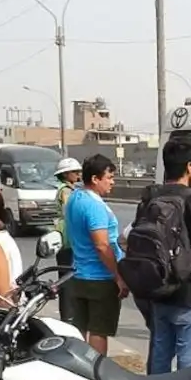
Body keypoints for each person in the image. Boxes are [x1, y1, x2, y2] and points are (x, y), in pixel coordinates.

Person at [136, 135, 191, 372]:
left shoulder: (151, 197)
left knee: (160, 356)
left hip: (158, 290)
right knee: (188, 360)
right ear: (190, 166)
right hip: (190, 293)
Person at [64, 153, 127, 357]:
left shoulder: (75, 198)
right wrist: (118, 277)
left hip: (79, 273)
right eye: (109, 177)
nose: (112, 182)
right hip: (100, 277)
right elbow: (102, 245)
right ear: (95, 179)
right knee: (99, 331)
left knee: (80, 328)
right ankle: (97, 370)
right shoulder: (94, 206)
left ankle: (80, 368)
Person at [51, 158, 81, 318]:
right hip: (67, 239)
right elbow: (71, 211)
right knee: (67, 278)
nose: (78, 175)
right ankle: (68, 316)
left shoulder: (71, 189)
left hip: (66, 238)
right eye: (74, 172)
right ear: (65, 174)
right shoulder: (66, 191)